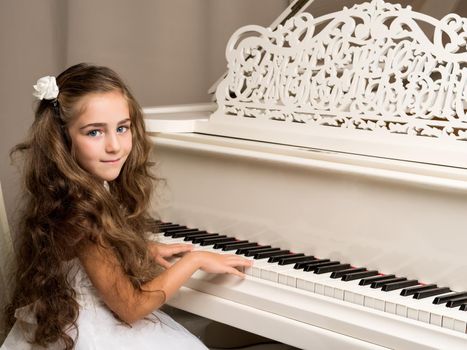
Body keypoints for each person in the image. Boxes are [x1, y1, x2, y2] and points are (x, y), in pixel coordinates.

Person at [2, 63, 253, 350]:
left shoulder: (77, 191)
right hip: (90, 333)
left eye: (122, 128)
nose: (115, 146)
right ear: (62, 138)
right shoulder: (81, 218)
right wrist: (192, 262)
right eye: (95, 132)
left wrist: (141, 248)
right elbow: (131, 308)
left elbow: (87, 261)